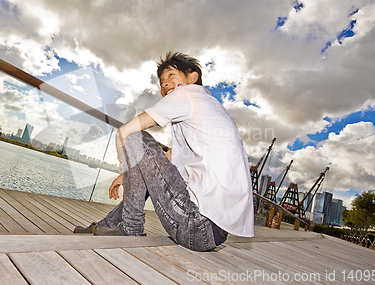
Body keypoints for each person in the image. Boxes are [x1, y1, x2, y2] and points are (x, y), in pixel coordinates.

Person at [74, 52, 254, 251]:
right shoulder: (208, 107)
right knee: (144, 157)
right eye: (161, 82)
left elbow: (124, 132)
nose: (165, 84)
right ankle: (105, 226)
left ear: (192, 78)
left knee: (136, 137)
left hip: (196, 225)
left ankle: (131, 227)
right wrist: (127, 175)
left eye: (171, 75)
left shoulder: (187, 93)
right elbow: (162, 167)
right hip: (211, 234)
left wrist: (123, 165)